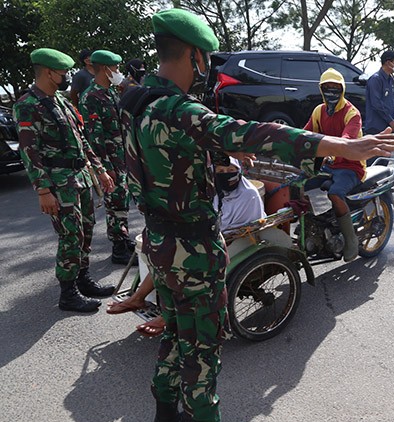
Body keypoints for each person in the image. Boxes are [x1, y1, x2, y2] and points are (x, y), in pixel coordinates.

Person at [118, 9, 394, 422]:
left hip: (159, 241)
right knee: (202, 344)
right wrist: (341, 147)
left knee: (175, 333)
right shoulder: (178, 109)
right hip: (193, 248)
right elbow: (252, 132)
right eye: (206, 59)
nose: (207, 68)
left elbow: (190, 158)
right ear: (195, 55)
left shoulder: (136, 105)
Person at [108, 157, 267, 337]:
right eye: (220, 171)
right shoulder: (212, 190)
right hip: (209, 237)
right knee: (165, 251)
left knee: (186, 262)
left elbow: (247, 228)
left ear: (238, 171)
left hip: (237, 242)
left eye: (229, 170)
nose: (225, 175)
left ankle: (172, 314)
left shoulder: (248, 195)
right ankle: (138, 298)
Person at [13, 48, 116, 313]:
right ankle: (68, 293)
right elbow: (29, 152)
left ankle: (82, 279)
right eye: (63, 72)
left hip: (79, 177)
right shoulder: (28, 105)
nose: (67, 76)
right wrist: (43, 190)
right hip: (58, 183)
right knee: (71, 235)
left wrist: (99, 170)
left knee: (86, 230)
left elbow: (81, 140)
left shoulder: (60, 101)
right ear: (48, 72)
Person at [303, 68, 365, 261]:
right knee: (295, 184)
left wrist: (332, 151)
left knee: (335, 194)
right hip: (328, 164)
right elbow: (305, 133)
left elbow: (347, 138)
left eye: (335, 87)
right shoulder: (319, 111)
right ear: (321, 90)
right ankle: (311, 228)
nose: (331, 91)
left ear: (342, 89)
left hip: (351, 166)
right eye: (327, 87)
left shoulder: (351, 113)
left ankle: (351, 240)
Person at [79, 50, 133, 265]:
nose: (118, 71)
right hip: (110, 160)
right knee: (115, 203)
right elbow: (95, 137)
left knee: (122, 200)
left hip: (121, 157)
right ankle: (119, 248)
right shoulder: (91, 97)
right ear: (104, 68)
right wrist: (105, 167)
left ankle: (123, 237)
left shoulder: (110, 92)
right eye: (116, 68)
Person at [364, 49, 394, 135]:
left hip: (389, 127)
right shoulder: (375, 79)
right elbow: (376, 103)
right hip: (376, 128)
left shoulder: (391, 80)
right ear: (388, 63)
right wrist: (390, 120)